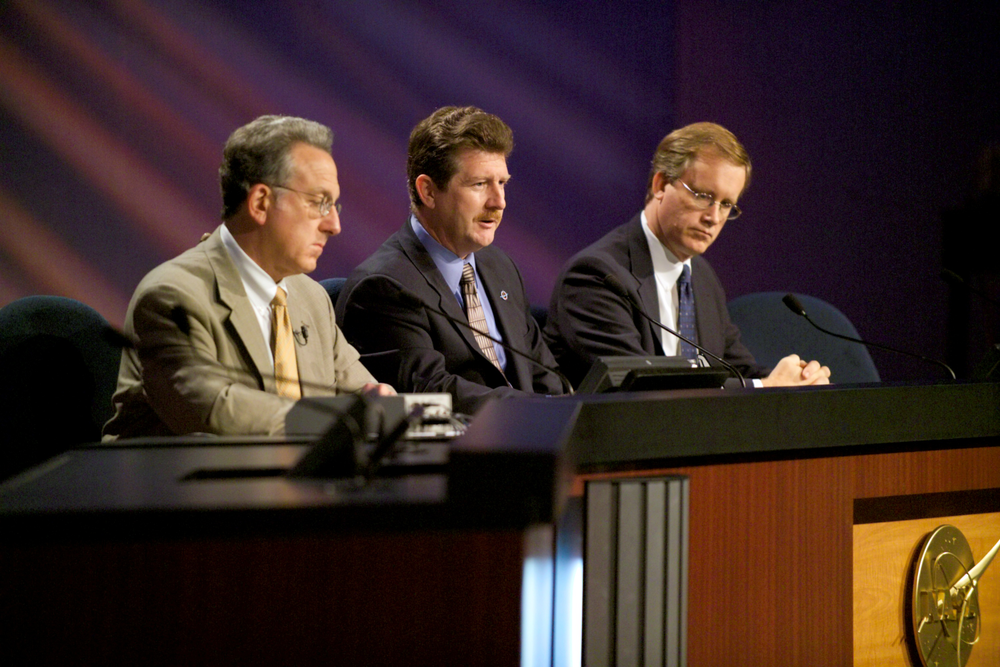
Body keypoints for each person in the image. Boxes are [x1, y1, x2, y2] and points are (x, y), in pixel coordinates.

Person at [104, 115, 393, 439]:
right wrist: (343, 418)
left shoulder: (310, 298)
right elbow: (215, 413)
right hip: (183, 485)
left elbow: (367, 395)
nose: (334, 225)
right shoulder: (171, 297)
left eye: (334, 205)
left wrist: (392, 408)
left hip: (297, 483)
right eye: (318, 203)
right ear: (260, 202)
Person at [544, 122, 831, 388]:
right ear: (660, 185)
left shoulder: (701, 276)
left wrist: (796, 381)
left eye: (727, 204)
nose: (714, 217)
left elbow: (736, 370)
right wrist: (762, 388)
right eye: (703, 196)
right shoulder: (597, 275)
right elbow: (639, 387)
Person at [335, 106, 565, 414]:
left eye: (502, 183)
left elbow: (544, 373)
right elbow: (432, 391)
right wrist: (539, 410)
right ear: (428, 191)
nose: (499, 202)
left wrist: (567, 409)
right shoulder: (384, 286)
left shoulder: (500, 268)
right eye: (480, 184)